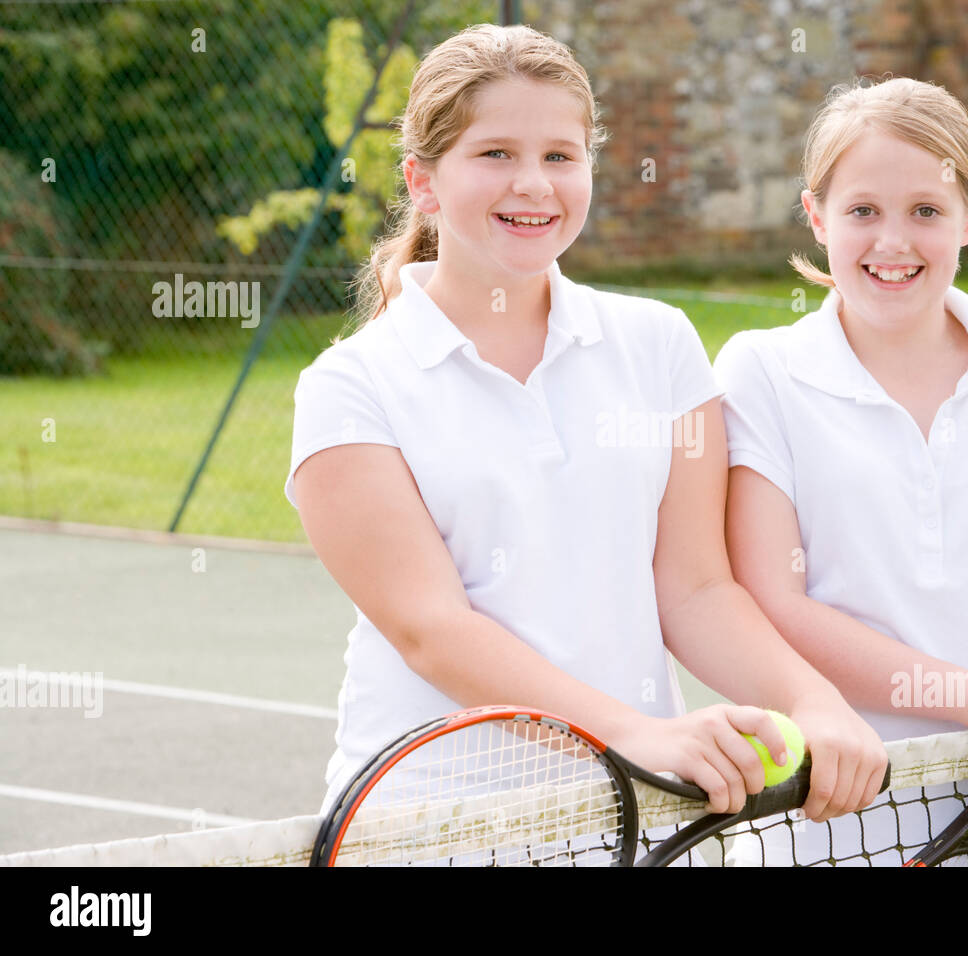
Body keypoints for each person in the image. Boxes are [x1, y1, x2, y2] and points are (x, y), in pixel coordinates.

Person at [284, 23, 887, 830]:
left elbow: (697, 589)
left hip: (636, 821)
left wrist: (815, 701)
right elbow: (433, 630)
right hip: (429, 825)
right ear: (422, 182)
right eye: (495, 154)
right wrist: (636, 735)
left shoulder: (661, 344)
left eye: (560, 156)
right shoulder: (349, 388)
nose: (534, 184)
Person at [714, 77, 968, 866]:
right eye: (863, 211)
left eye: (927, 212)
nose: (893, 242)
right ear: (816, 215)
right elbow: (773, 599)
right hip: (828, 823)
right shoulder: (760, 370)